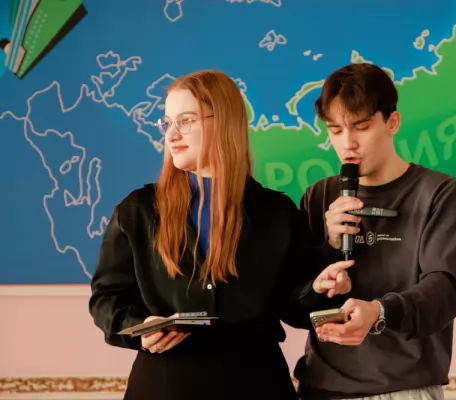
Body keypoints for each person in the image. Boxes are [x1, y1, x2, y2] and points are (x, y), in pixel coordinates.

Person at [88, 69, 354, 400]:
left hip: (256, 386)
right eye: (167, 123)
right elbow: (105, 298)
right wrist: (138, 329)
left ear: (225, 122)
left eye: (186, 121)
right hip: (164, 387)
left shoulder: (278, 213)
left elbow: (296, 309)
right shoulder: (137, 211)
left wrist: (318, 286)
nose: (172, 135)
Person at [293, 63, 456, 400]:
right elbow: (296, 303)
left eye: (361, 127)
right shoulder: (318, 196)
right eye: (335, 130)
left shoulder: (439, 193)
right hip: (320, 387)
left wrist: (380, 312)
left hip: (402, 387)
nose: (348, 144)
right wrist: (330, 248)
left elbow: (445, 291)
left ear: (392, 122)